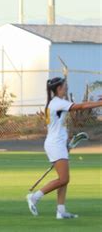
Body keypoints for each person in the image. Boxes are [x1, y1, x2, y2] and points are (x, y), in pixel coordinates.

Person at [26, 77, 102, 219]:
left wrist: (65, 142)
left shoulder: (54, 103)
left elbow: (58, 126)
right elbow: (81, 107)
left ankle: (61, 211)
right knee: (64, 179)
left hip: (58, 143)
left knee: (63, 178)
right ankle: (34, 197)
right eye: (65, 86)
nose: (67, 88)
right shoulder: (58, 103)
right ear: (59, 89)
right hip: (55, 144)